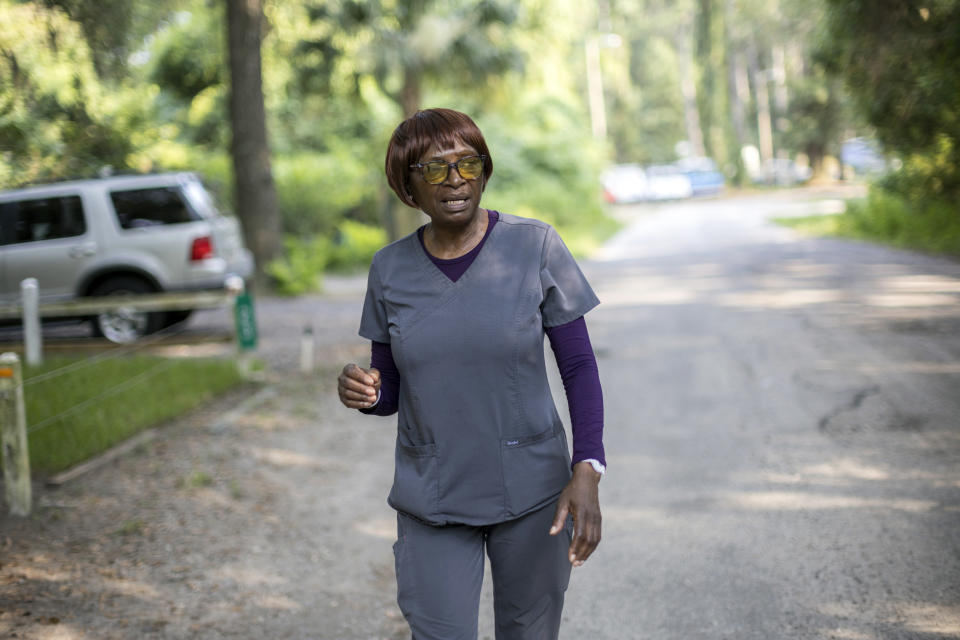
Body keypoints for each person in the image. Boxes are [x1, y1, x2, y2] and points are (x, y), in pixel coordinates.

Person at [337, 108, 605, 640]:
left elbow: (577, 365)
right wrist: (363, 389)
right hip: (433, 495)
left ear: (484, 171)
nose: (455, 179)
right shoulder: (390, 270)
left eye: (468, 163)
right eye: (435, 169)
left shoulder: (535, 246)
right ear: (408, 185)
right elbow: (388, 389)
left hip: (532, 491)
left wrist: (588, 467)